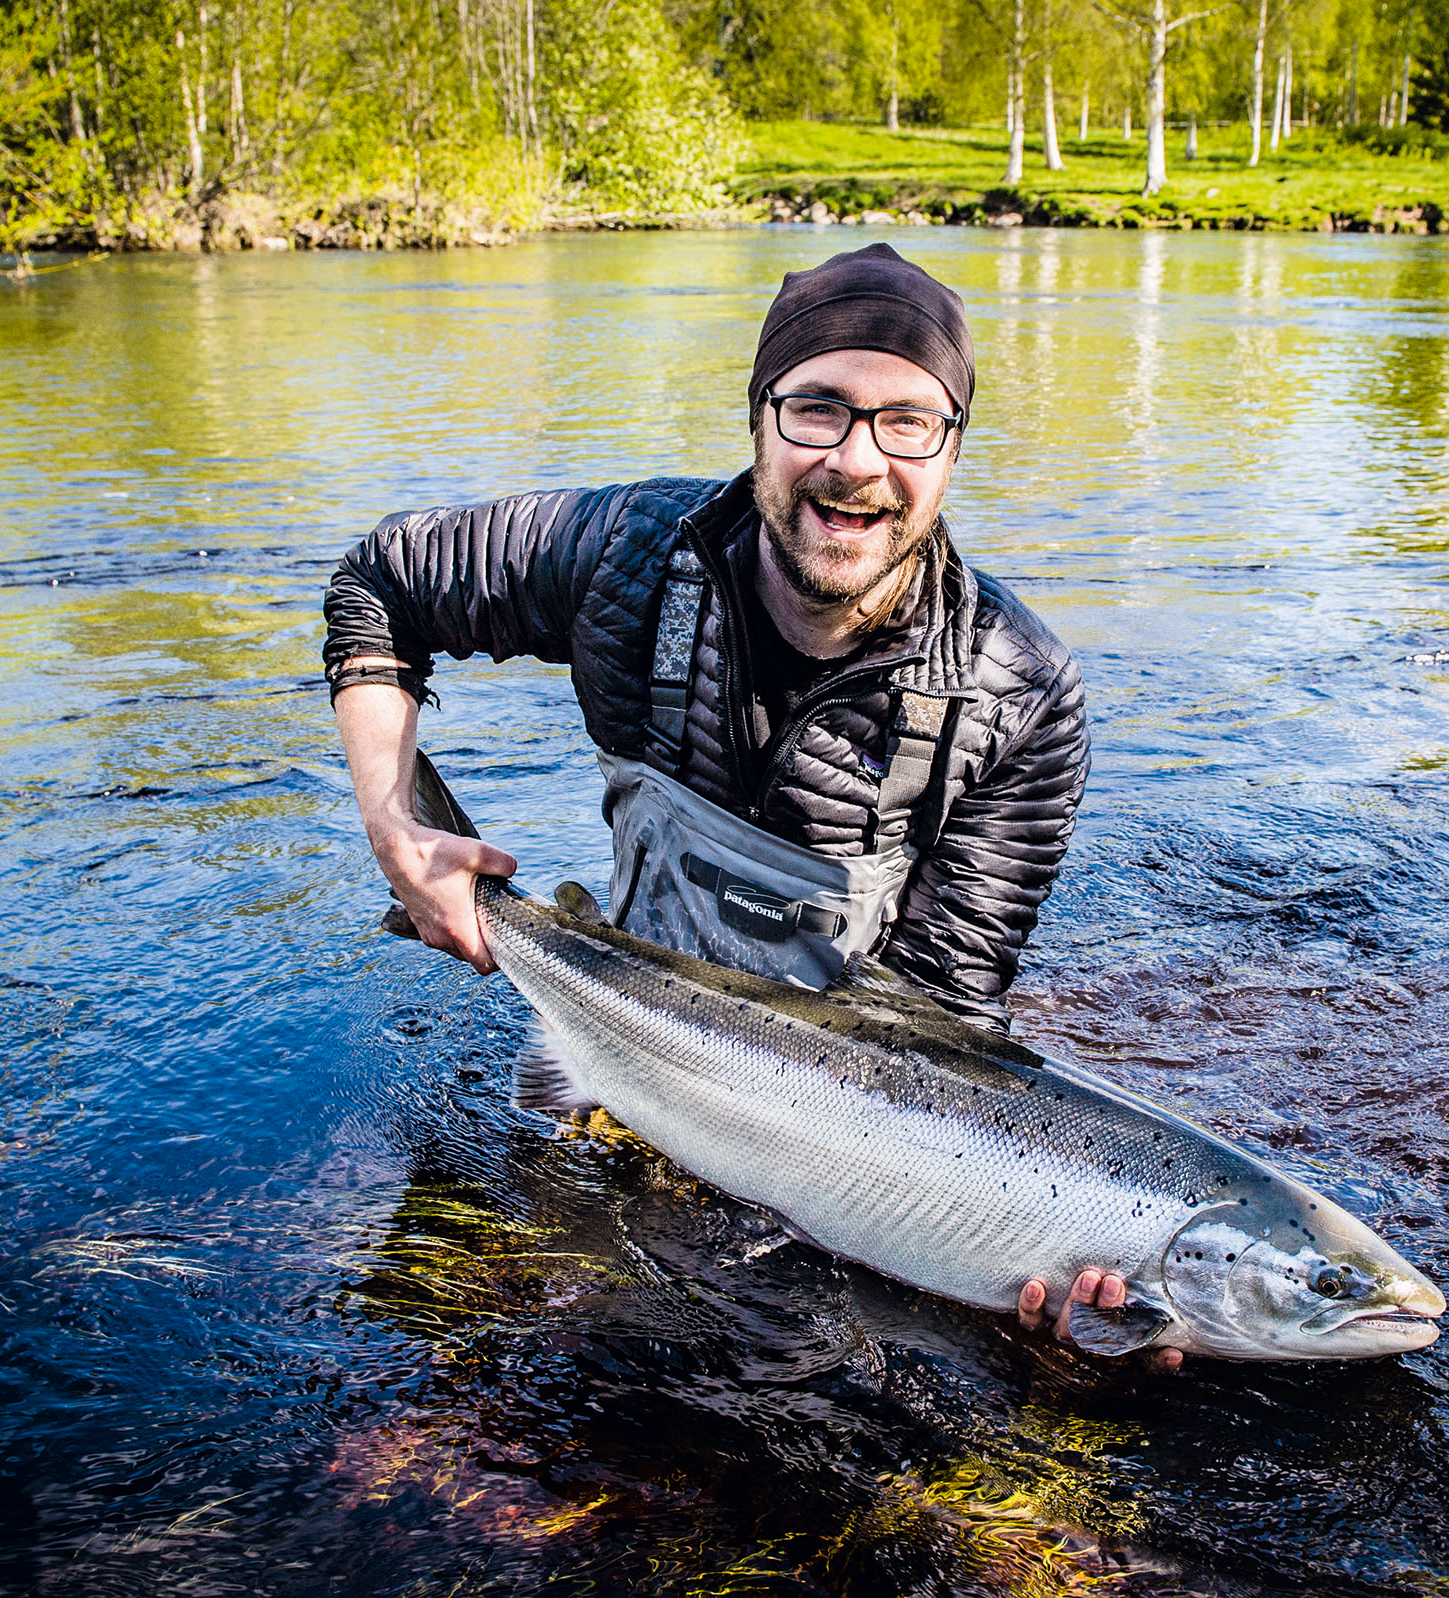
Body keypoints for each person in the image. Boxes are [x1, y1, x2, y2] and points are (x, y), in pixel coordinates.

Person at [322, 243, 1180, 1370]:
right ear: (759, 420)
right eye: (818, 409)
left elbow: (939, 1016)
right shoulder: (626, 557)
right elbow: (379, 582)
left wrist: (991, 1248)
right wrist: (394, 821)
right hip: (613, 1041)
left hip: (841, 1115)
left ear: (953, 446)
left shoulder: (1017, 696)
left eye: (907, 422)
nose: (856, 463)